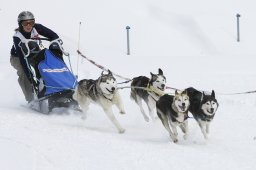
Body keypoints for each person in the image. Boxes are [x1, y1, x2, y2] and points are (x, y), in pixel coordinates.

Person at [10, 11, 60, 103]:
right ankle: (31, 100)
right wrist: (30, 78)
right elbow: (22, 59)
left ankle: (50, 88)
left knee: (45, 67)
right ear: (20, 24)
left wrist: (56, 42)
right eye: (25, 23)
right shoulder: (17, 37)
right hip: (18, 57)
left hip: (33, 52)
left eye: (31, 22)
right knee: (24, 74)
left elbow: (53, 35)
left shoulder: (37, 27)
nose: (29, 25)